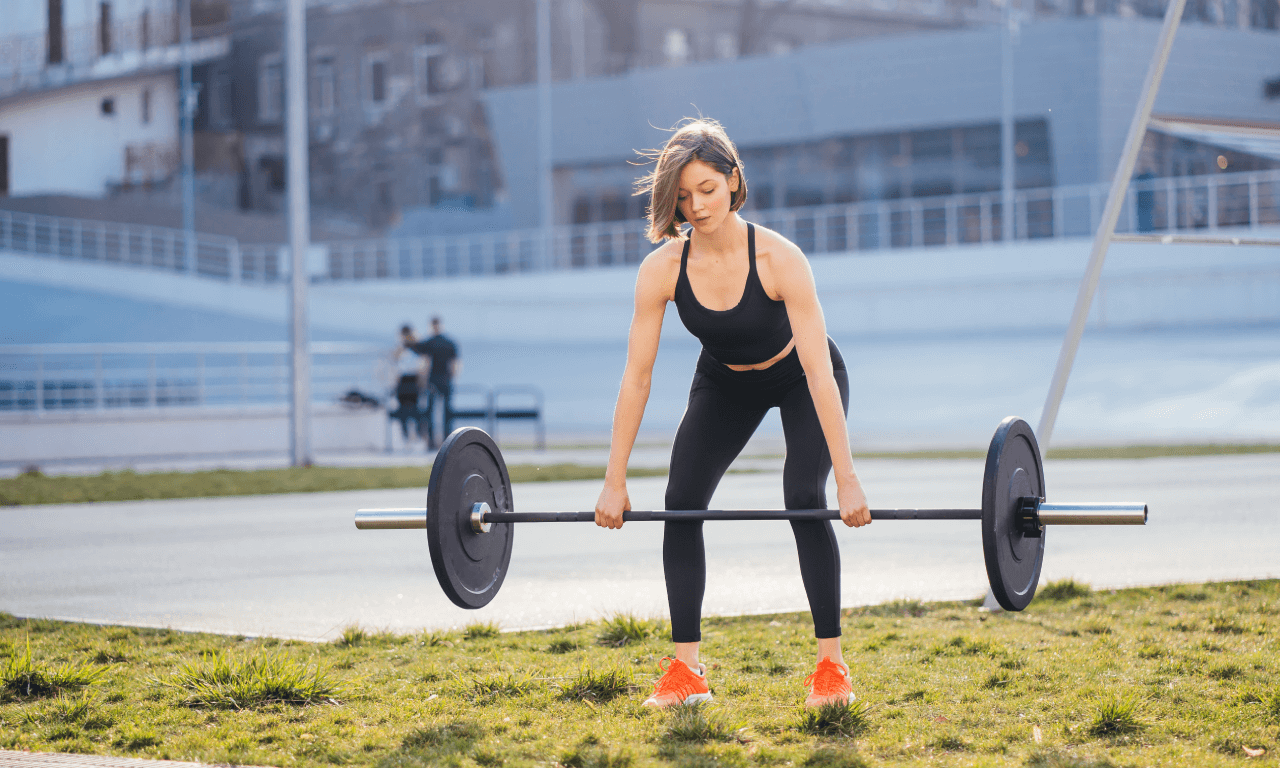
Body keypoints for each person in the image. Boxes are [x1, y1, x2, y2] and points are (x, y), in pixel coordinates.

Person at [593, 119, 872, 709]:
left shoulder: (779, 258)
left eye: (708, 189)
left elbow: (819, 372)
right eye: (683, 196)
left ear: (734, 181)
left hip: (800, 374)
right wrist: (614, 479)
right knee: (681, 501)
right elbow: (637, 378)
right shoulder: (662, 270)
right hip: (725, 381)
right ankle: (687, 671)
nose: (697, 206)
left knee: (803, 494)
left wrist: (847, 479)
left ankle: (831, 667)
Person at [411, 316, 461, 450]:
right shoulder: (449, 342)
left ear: (431, 326)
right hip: (446, 380)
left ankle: (432, 442)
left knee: (430, 412)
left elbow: (419, 352)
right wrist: (452, 378)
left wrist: (412, 337)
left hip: (433, 381)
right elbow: (455, 365)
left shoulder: (430, 342)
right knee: (447, 413)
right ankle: (448, 441)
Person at [391, 325, 424, 446]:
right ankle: (405, 438)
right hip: (402, 381)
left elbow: (422, 366)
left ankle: (418, 436)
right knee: (402, 412)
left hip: (414, 380)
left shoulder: (418, 348)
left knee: (416, 411)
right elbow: (395, 362)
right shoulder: (400, 349)